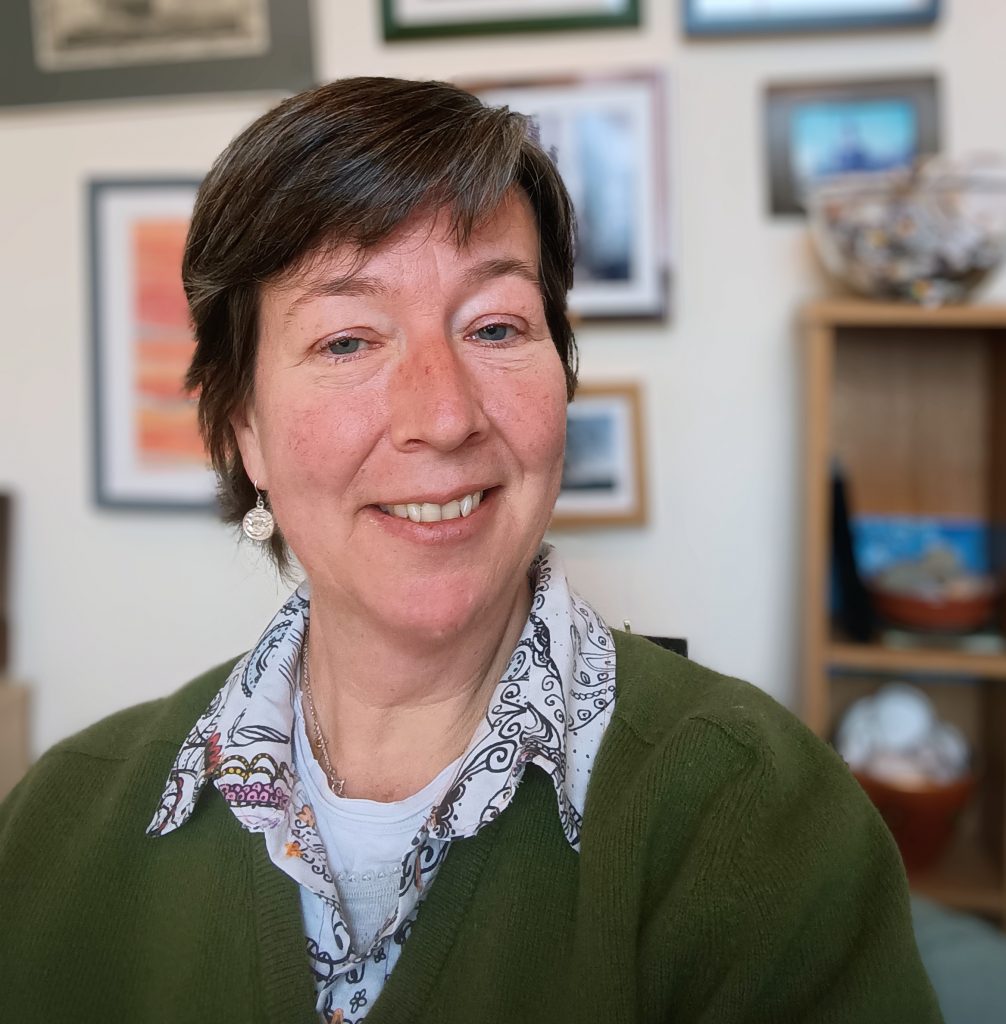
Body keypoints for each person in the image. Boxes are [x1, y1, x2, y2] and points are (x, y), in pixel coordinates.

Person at [0, 77, 941, 1024]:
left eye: (495, 327)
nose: (443, 416)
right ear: (243, 427)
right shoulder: (60, 825)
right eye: (347, 341)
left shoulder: (760, 822)